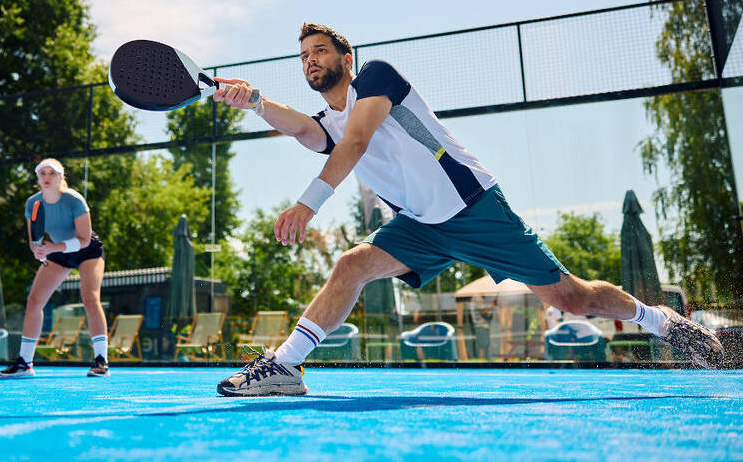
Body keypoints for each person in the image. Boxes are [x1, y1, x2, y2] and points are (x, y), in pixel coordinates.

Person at [212, 22, 725, 396]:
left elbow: (358, 142)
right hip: (419, 227)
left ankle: (663, 322)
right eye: (302, 56)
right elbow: (306, 129)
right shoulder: (329, 118)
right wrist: (255, 101)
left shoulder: (376, 77)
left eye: (319, 51)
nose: (310, 61)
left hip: (475, 208)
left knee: (572, 298)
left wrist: (308, 203)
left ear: (346, 58)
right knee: (350, 265)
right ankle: (285, 366)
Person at [0, 158, 109, 377]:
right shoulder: (32, 203)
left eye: (52, 173)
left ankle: (101, 361)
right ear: (38, 178)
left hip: (87, 250)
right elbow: (34, 240)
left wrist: (52, 247)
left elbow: (85, 239)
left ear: (61, 177)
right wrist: (38, 250)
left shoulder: (74, 200)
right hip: (57, 251)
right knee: (34, 301)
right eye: (43, 173)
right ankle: (25, 363)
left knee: (90, 298)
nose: (47, 177)